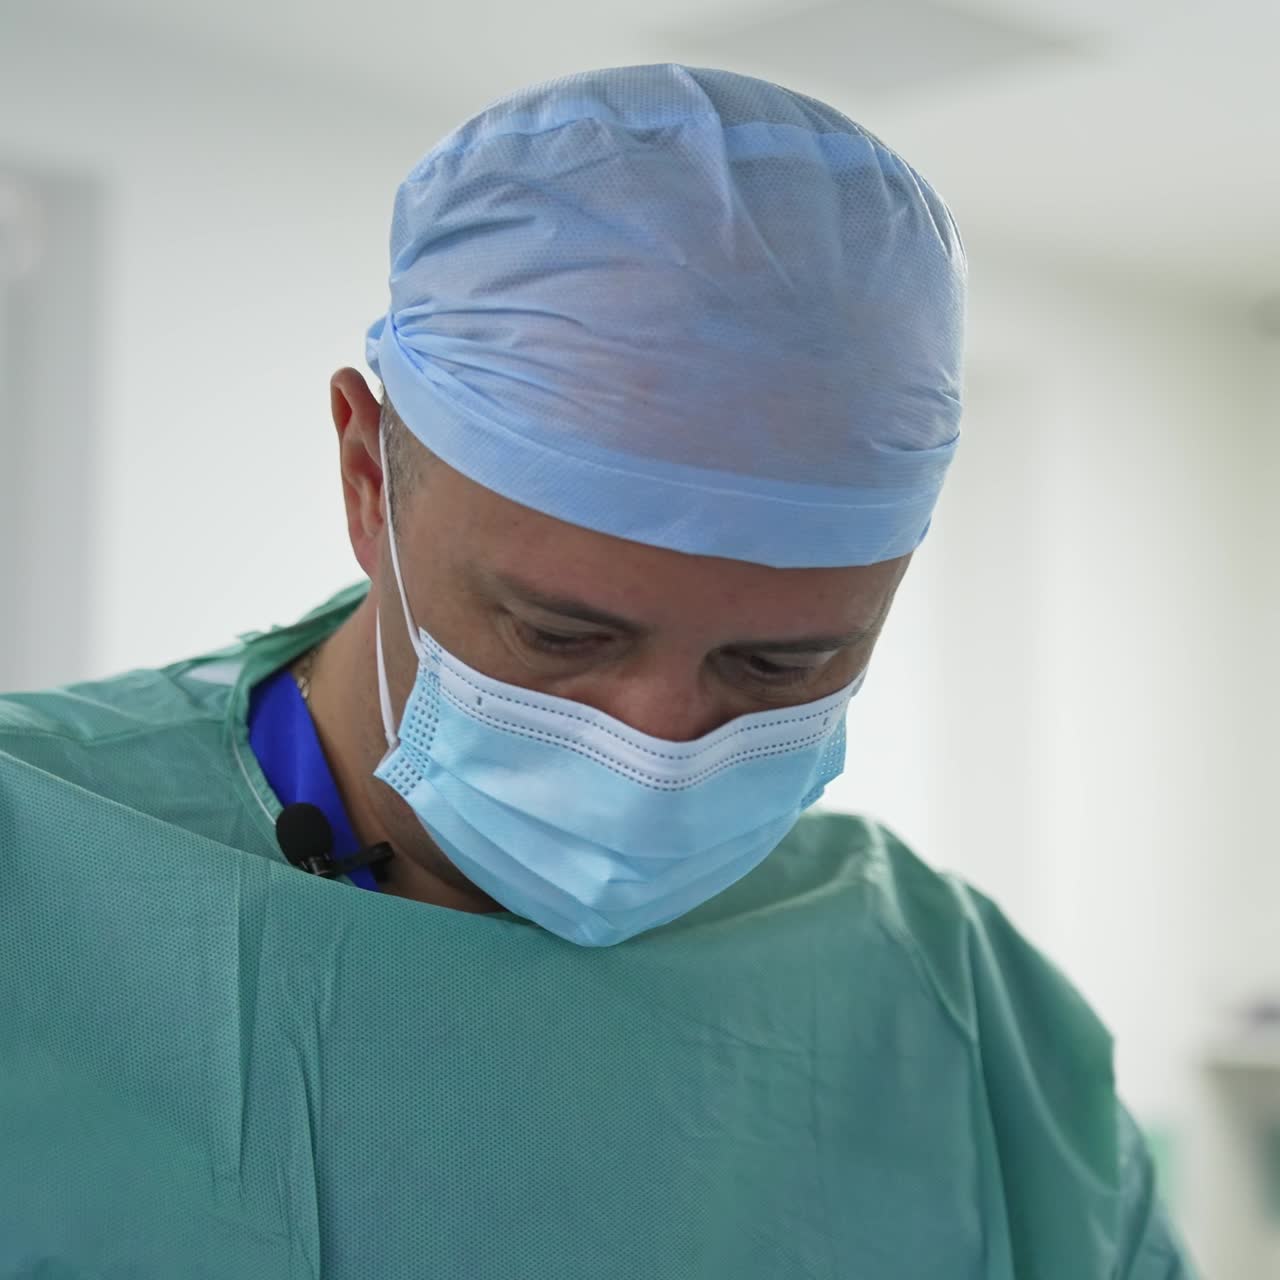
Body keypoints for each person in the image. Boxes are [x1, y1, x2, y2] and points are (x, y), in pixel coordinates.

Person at [0, 64, 1193, 1277]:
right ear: (369, 478)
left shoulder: (946, 1001)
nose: (661, 737)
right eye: (561, 637)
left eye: (782, 659)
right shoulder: (33, 870)